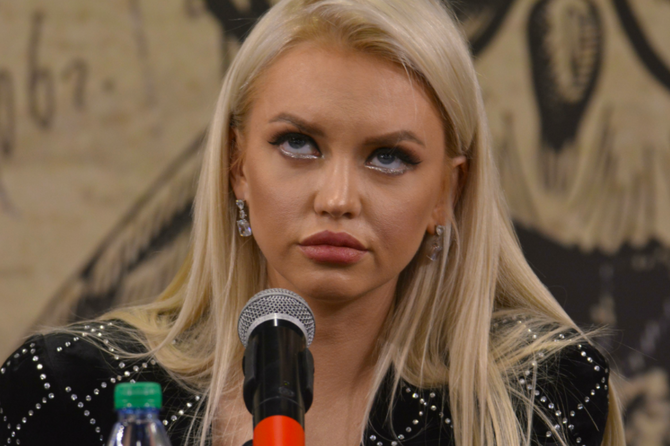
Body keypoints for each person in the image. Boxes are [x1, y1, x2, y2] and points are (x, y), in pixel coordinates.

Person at [0, 0, 625, 445]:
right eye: (298, 144)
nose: (338, 198)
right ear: (238, 167)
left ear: (447, 191)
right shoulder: (70, 387)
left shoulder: (538, 396)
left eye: (389, 157)